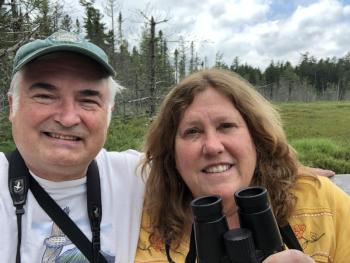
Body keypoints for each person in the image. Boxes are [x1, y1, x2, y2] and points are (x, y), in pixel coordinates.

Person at [135, 69, 350, 262]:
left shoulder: (322, 202)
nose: (212, 147)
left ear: (256, 138)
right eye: (193, 131)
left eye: (226, 126)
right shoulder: (140, 221)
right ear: (171, 151)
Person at [0, 31, 145, 263]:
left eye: (88, 101)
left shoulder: (138, 177)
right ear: (12, 106)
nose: (68, 118)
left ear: (108, 113)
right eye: (45, 96)